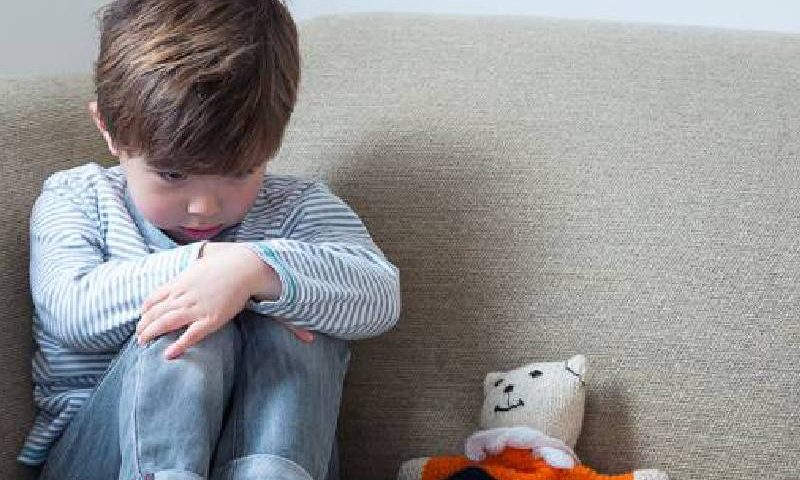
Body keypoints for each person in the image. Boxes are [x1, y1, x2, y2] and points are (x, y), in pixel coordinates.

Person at [16, 1, 401, 479]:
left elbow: (380, 296)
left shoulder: (296, 207)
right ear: (109, 131)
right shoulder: (79, 197)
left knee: (298, 320)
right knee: (187, 321)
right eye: (172, 174)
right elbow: (71, 310)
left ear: (272, 145)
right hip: (106, 457)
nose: (203, 206)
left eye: (237, 174)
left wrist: (252, 270)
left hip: (276, 460)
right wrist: (206, 267)